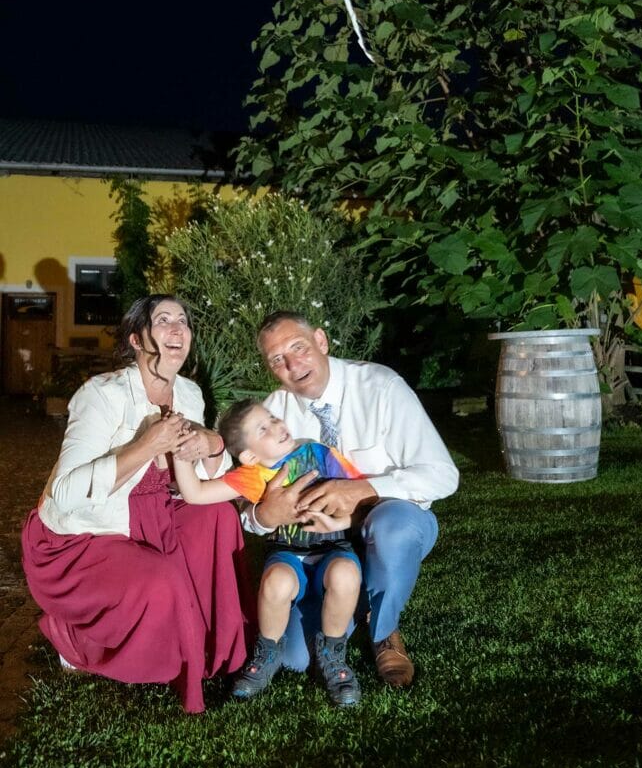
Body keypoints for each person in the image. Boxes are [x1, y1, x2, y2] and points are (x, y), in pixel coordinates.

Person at [21, 294, 255, 714]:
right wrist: (145, 445)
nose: (176, 329)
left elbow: (198, 483)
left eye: (182, 320)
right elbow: (66, 494)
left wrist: (213, 444)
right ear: (136, 338)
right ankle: (77, 640)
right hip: (86, 532)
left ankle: (210, 644)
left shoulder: (189, 392)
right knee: (162, 580)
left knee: (218, 516)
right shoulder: (101, 395)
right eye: (162, 320)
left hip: (155, 513)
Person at [245, 310, 460, 688]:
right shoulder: (274, 412)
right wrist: (263, 514)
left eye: (299, 348)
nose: (293, 365)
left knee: (392, 526)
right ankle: (352, 605)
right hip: (322, 546)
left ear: (322, 341)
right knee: (297, 659)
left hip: (387, 524)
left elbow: (443, 475)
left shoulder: (381, 387)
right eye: (277, 359)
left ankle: (384, 632)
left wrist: (364, 489)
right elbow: (246, 499)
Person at [172, 398, 364, 707]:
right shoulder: (253, 475)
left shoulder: (320, 453)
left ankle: (333, 656)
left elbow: (362, 495)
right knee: (276, 581)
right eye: (263, 428)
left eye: (273, 418)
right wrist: (181, 455)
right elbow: (195, 493)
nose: (276, 426)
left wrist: (344, 519)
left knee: (346, 574)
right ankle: (267, 652)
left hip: (334, 548)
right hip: (288, 553)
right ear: (249, 455)